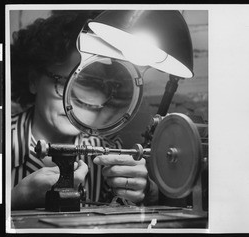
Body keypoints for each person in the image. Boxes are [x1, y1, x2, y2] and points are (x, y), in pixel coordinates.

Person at [11, 10, 158, 210]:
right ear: (33, 80)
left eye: (89, 85)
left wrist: (144, 189)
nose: (74, 102)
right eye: (62, 83)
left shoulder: (108, 151)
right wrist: (14, 199)